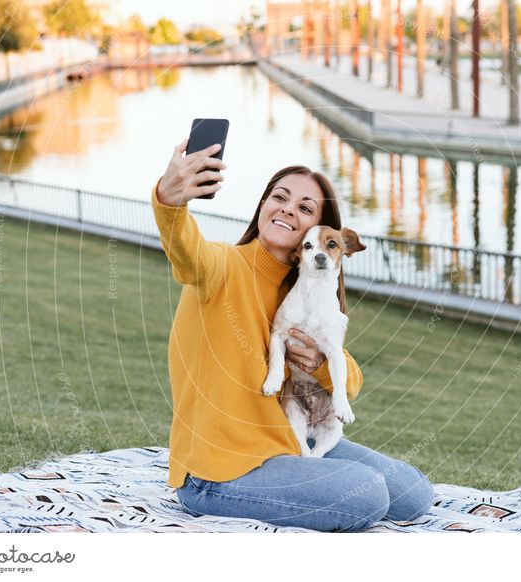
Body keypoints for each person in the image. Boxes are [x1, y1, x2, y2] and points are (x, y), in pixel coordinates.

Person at [151, 136, 434, 532]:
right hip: (218, 470)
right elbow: (186, 250)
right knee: (367, 494)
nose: (287, 209)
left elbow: (349, 380)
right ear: (263, 205)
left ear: (319, 229)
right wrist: (170, 197)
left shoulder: (305, 290)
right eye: (279, 197)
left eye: (304, 207)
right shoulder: (222, 267)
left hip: (290, 441)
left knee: (414, 492)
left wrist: (319, 363)